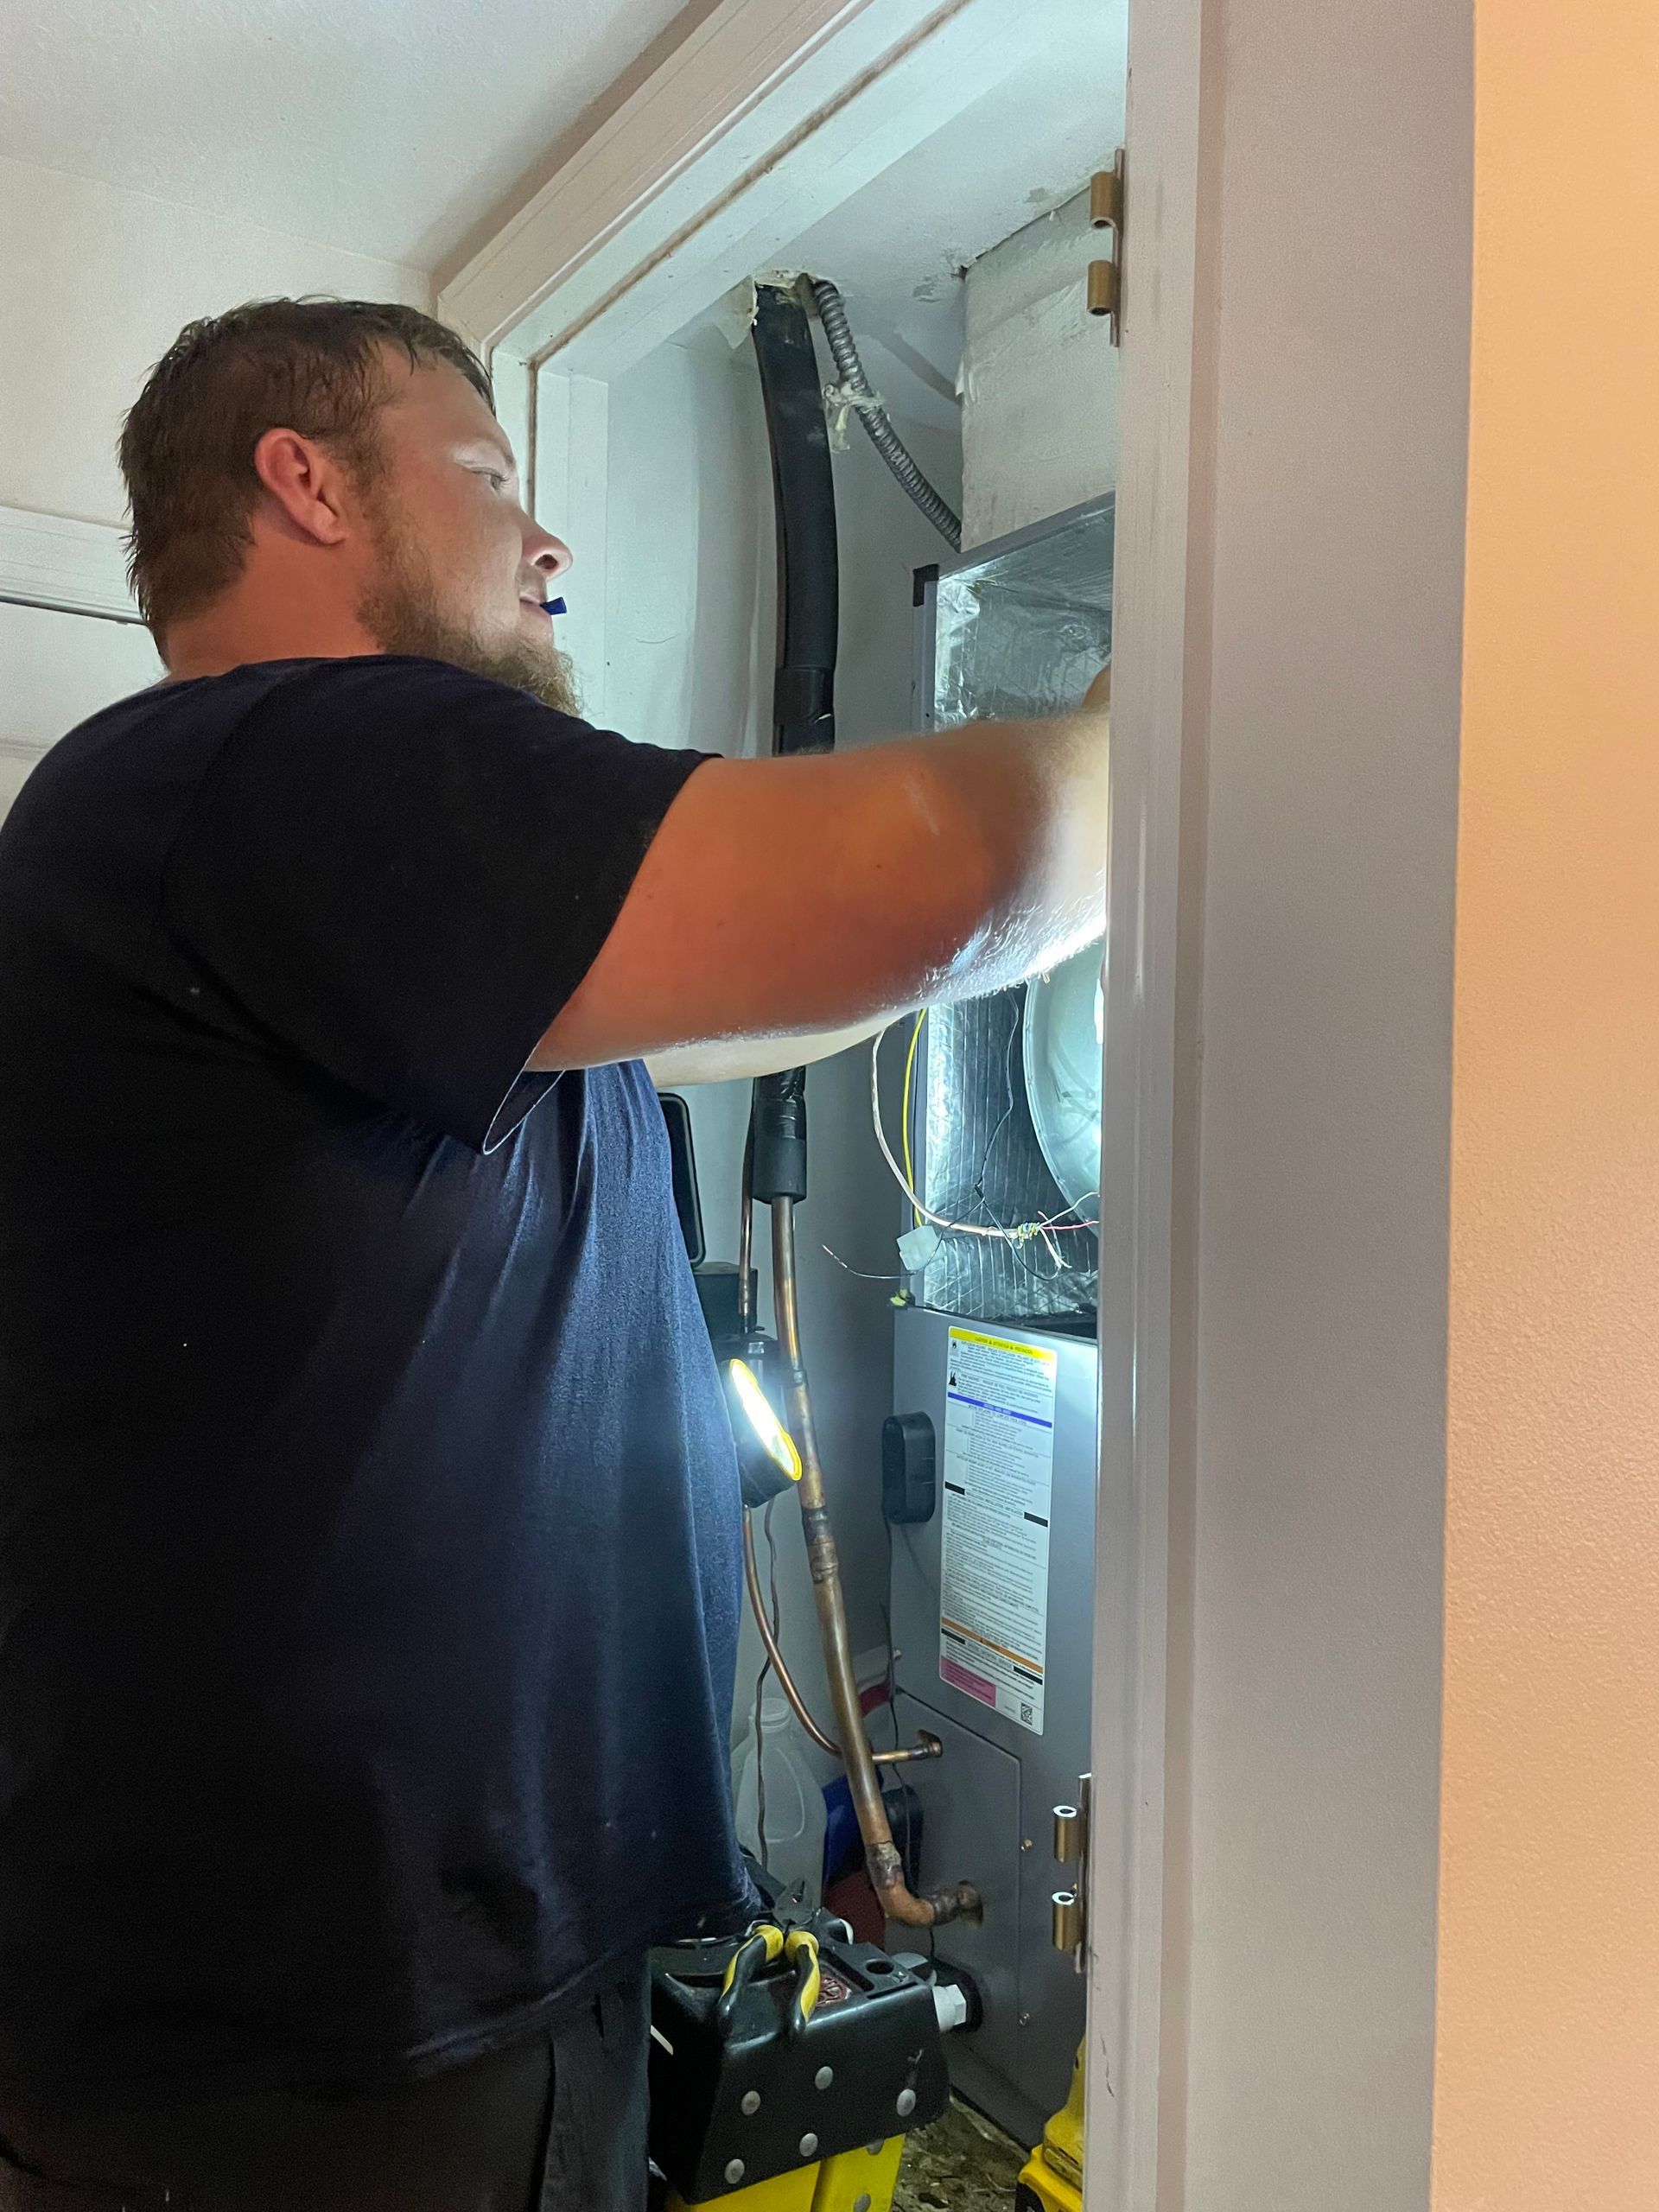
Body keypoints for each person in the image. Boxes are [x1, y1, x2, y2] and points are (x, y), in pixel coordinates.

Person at [0, 298, 1109, 2210]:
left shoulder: (268, 865)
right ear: (308, 483)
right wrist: (1182, 710)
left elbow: (771, 989)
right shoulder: (288, 761)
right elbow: (942, 873)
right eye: (493, 473)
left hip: (351, 2006)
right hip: (333, 2047)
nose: (548, 540)